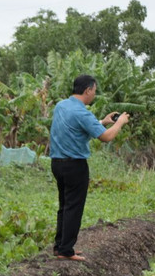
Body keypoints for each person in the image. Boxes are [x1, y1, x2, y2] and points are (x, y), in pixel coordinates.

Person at [48, 74, 130, 262]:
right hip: (75, 165)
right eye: (94, 90)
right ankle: (66, 250)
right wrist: (119, 122)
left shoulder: (61, 106)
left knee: (64, 205)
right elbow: (106, 137)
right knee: (74, 207)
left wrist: (102, 122)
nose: (94, 93)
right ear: (87, 90)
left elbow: (77, 130)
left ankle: (60, 246)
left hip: (57, 163)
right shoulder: (82, 113)